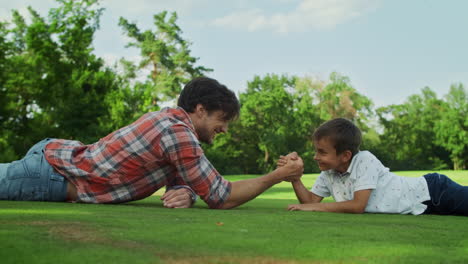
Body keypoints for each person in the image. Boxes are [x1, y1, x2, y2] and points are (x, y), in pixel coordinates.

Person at [0, 77, 304, 209]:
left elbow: (180, 175)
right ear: (200, 110)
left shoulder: (173, 126)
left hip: (54, 161)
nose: (223, 129)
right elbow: (220, 196)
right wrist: (278, 176)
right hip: (49, 174)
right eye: (221, 119)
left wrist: (185, 192)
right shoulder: (177, 132)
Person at [278, 118, 468, 216]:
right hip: (424, 208)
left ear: (345, 156)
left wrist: (313, 209)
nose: (315, 157)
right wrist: (295, 179)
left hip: (434, 191)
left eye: (322, 152)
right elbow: (310, 201)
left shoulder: (364, 160)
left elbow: (357, 206)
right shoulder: (329, 172)